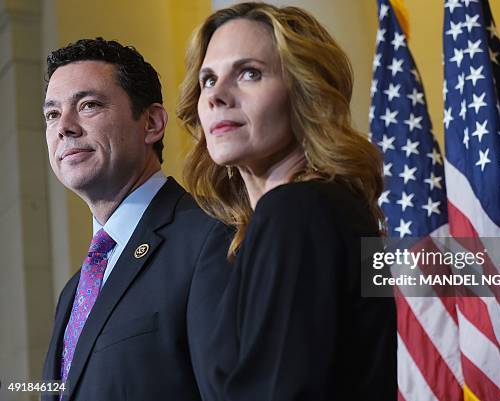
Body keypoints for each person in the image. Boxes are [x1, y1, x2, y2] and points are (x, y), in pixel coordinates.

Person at [177, 3, 397, 400]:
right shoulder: (327, 209)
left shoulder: (298, 212)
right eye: (208, 80)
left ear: (304, 92)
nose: (217, 97)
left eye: (249, 74)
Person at [41, 38, 232, 401]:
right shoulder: (74, 292)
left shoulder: (212, 235)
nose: (64, 126)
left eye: (89, 105)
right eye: (52, 114)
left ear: (152, 123)